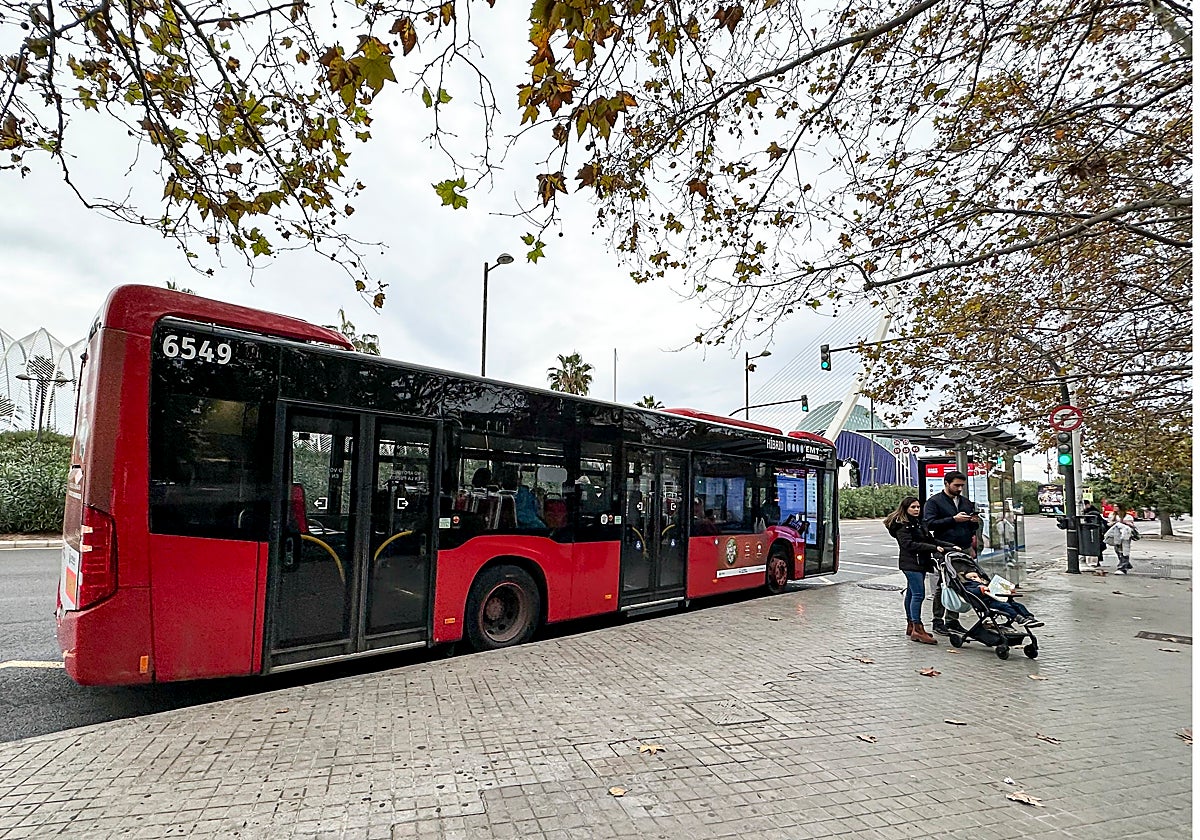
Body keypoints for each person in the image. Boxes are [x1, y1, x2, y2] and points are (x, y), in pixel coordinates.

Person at [884, 496, 955, 645]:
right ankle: (917, 627)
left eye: (918, 507)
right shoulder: (902, 525)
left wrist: (949, 546)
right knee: (918, 594)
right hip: (911, 564)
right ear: (905, 509)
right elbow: (909, 544)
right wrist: (934, 548)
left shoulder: (918, 522)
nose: (916, 510)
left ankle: (911, 625)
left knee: (911, 593)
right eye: (913, 507)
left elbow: (930, 539)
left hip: (920, 562)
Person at [922, 471, 979, 636]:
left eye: (962, 485)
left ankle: (952, 620)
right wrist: (953, 519)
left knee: (961, 584)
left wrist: (973, 523)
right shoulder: (934, 502)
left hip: (964, 547)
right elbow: (929, 524)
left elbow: (971, 527)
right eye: (956, 485)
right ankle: (938, 620)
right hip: (945, 548)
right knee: (944, 584)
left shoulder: (965, 502)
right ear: (946, 483)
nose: (959, 488)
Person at [959, 571, 1043, 628]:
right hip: (989, 603)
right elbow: (970, 591)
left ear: (981, 579)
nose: (973, 579)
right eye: (970, 578)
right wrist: (980, 590)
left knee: (1018, 605)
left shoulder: (988, 583)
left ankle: (1029, 618)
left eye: (975, 577)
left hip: (1001, 599)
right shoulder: (970, 585)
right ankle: (1019, 619)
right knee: (1005, 606)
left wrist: (1009, 591)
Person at [1082, 500, 1106, 567]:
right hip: (1096, 531)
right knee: (1096, 545)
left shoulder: (1092, 512)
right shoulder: (1093, 511)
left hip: (1094, 531)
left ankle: (1095, 561)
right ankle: (1096, 560)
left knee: (1094, 545)